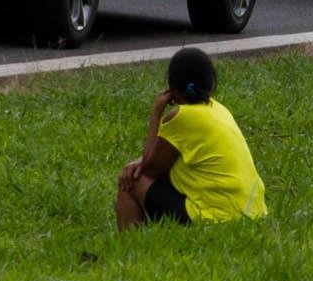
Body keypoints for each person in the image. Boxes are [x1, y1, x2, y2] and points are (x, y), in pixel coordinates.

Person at [115, 46, 270, 231]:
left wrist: (156, 113)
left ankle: (131, 250)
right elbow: (166, 162)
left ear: (172, 89)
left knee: (131, 182)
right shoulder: (219, 109)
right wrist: (141, 161)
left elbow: (150, 168)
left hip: (217, 217)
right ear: (210, 83)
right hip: (252, 212)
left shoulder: (181, 116)